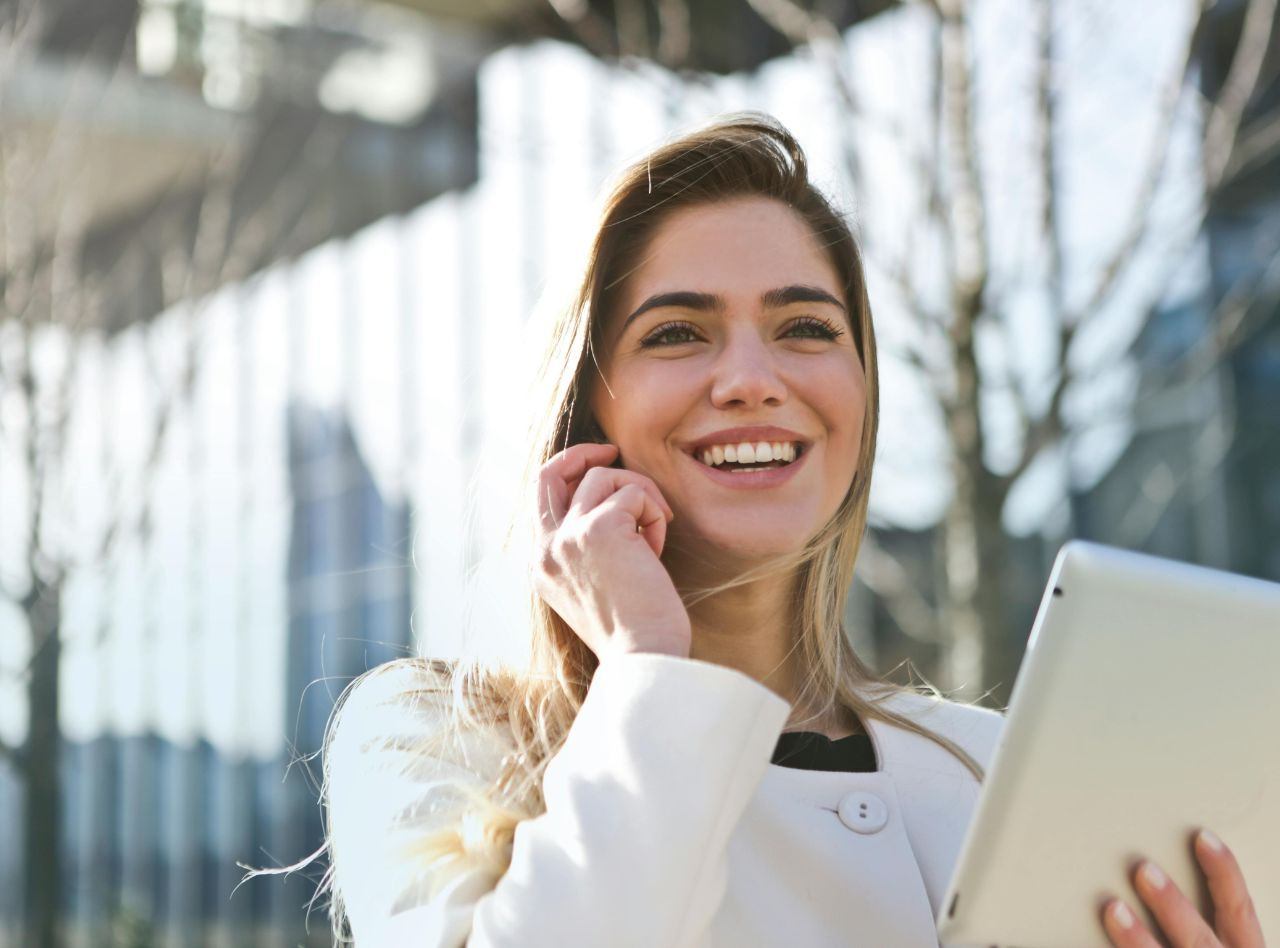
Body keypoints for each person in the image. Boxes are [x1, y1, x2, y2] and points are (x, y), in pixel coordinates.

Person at [320, 114, 1264, 947]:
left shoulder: (992, 768)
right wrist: (651, 666)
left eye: (806, 328)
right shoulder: (427, 739)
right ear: (586, 413)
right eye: (678, 333)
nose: (751, 378)